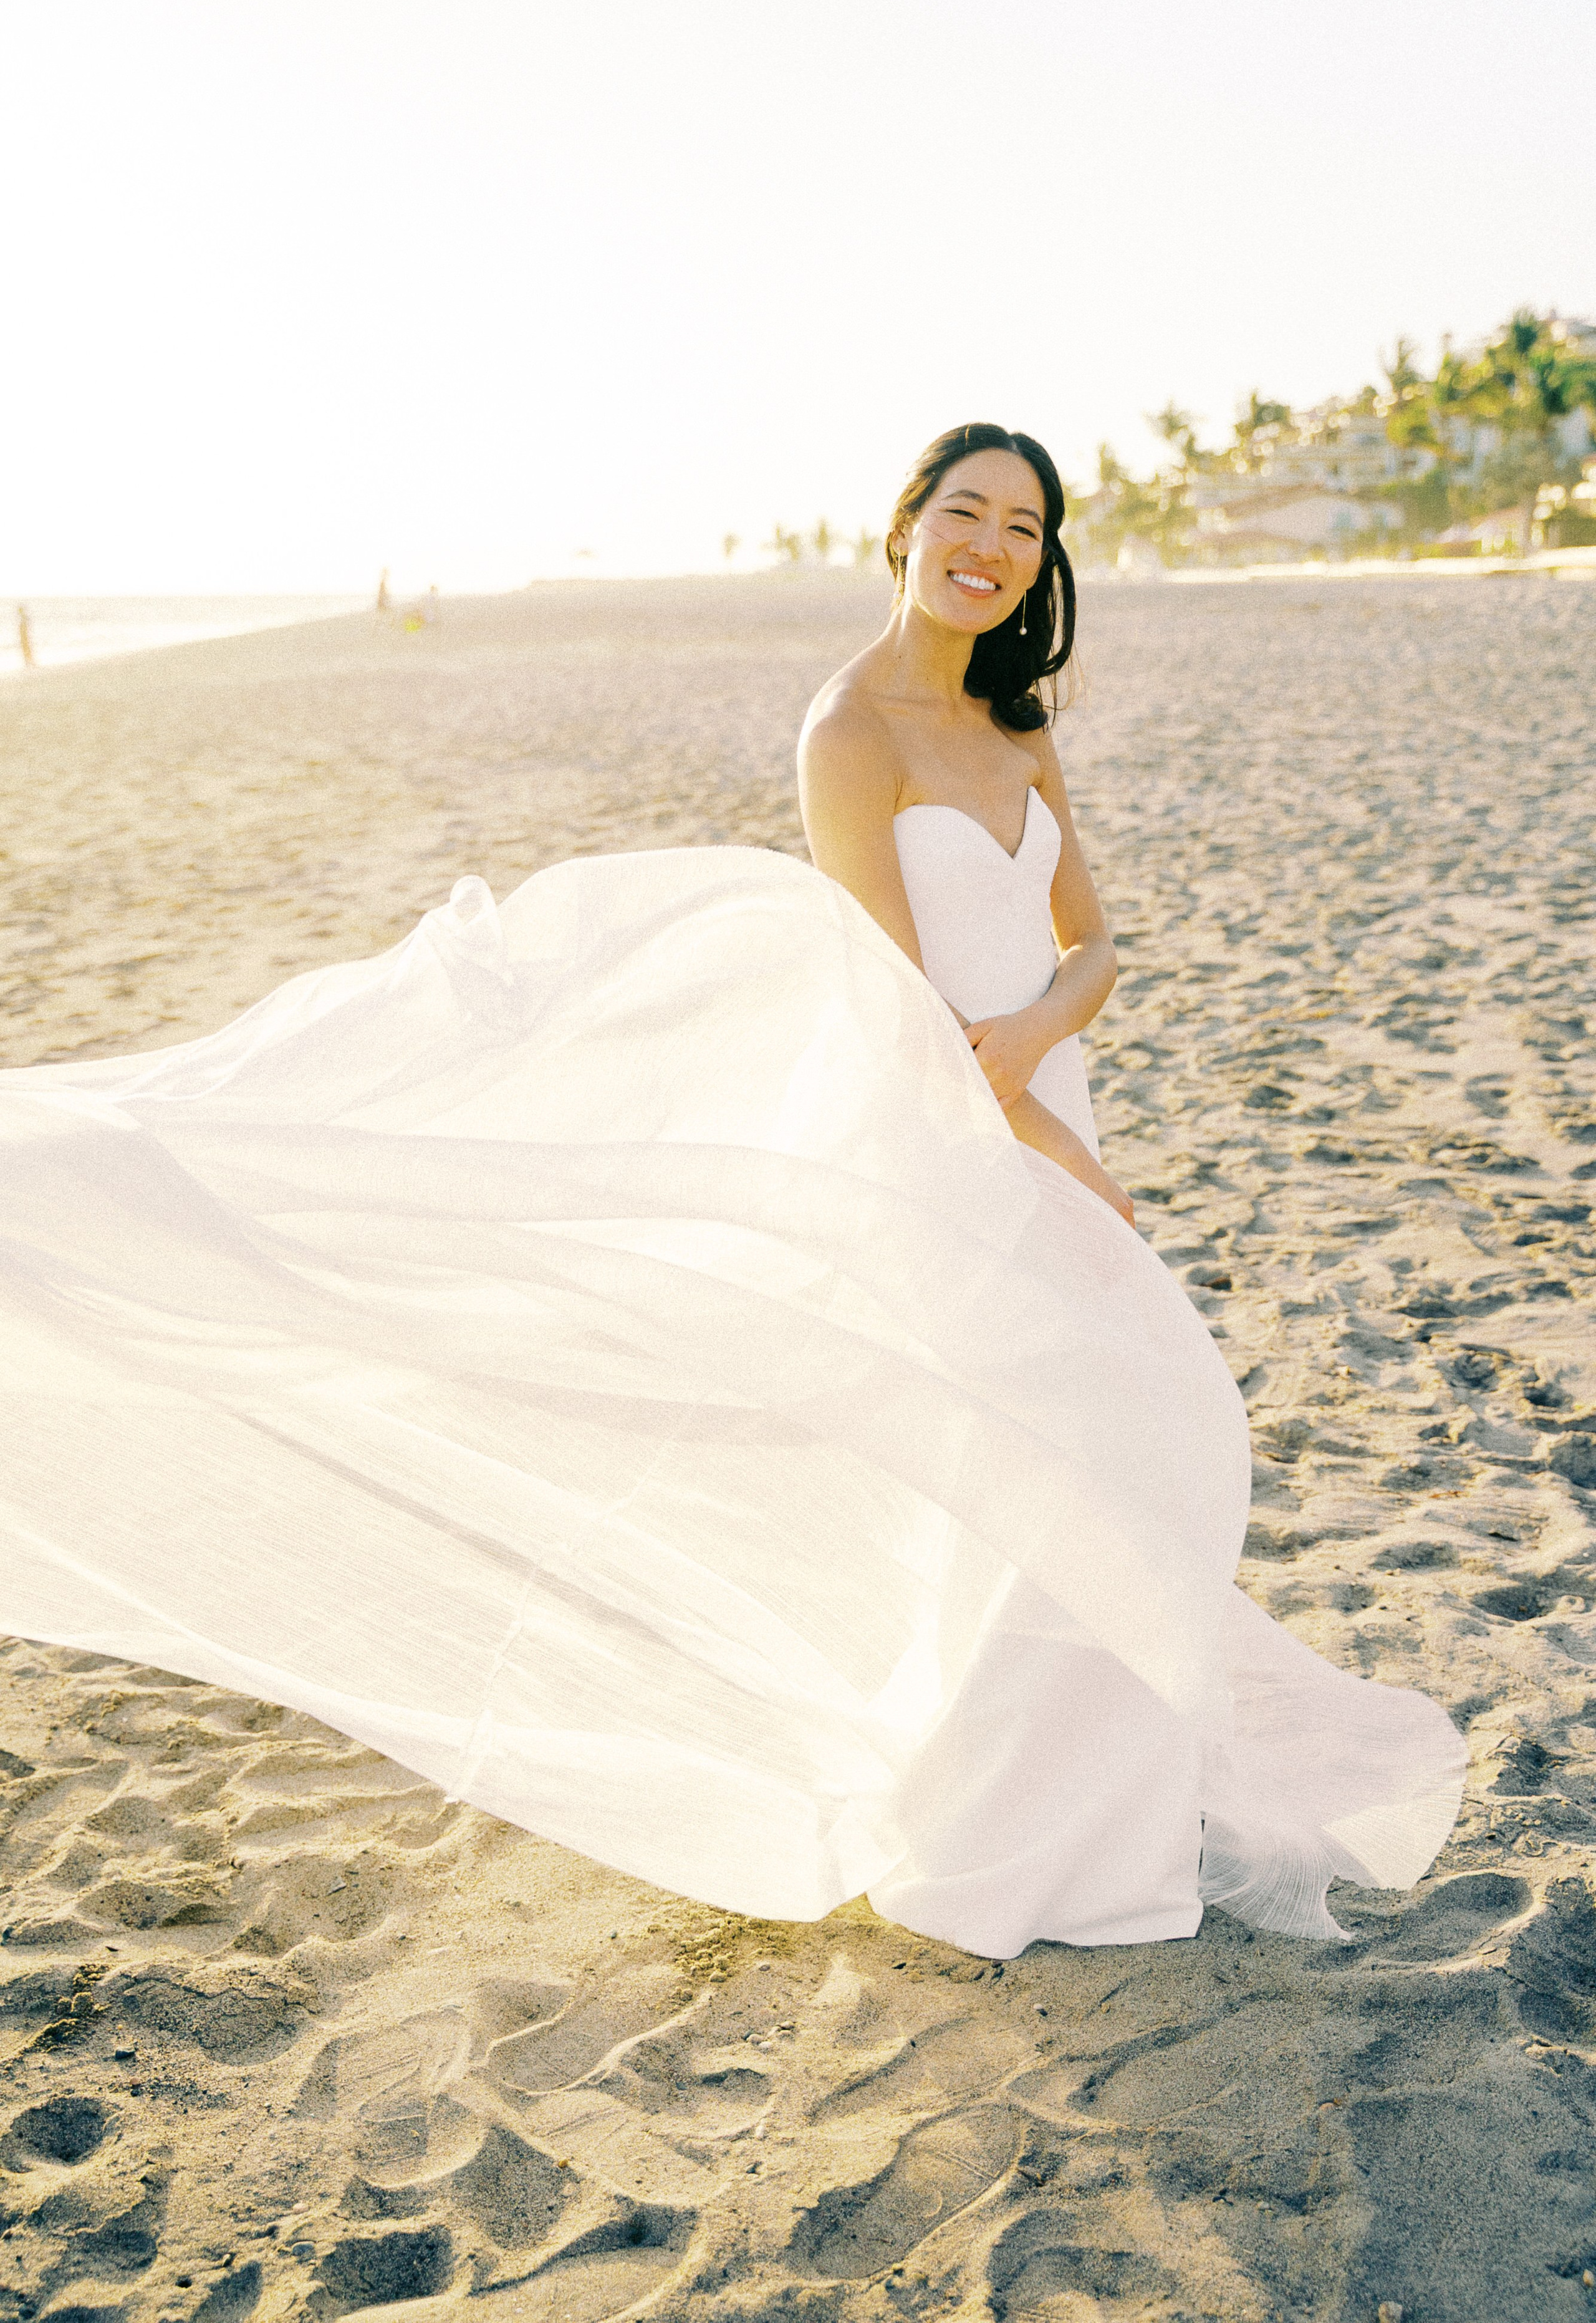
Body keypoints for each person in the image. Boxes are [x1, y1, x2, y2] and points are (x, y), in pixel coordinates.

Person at [0, 426, 1463, 1958]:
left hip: (1039, 1103)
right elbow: (902, 1012)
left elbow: (1090, 943)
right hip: (966, 1149)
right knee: (1113, 1440)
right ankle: (1011, 1833)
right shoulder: (851, 732)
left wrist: (1041, 1032)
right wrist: (1057, 1145)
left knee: (1083, 1460)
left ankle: (1069, 1820)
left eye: (1023, 528)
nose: (989, 544)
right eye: (963, 511)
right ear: (903, 529)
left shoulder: (1015, 730)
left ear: (1043, 562)